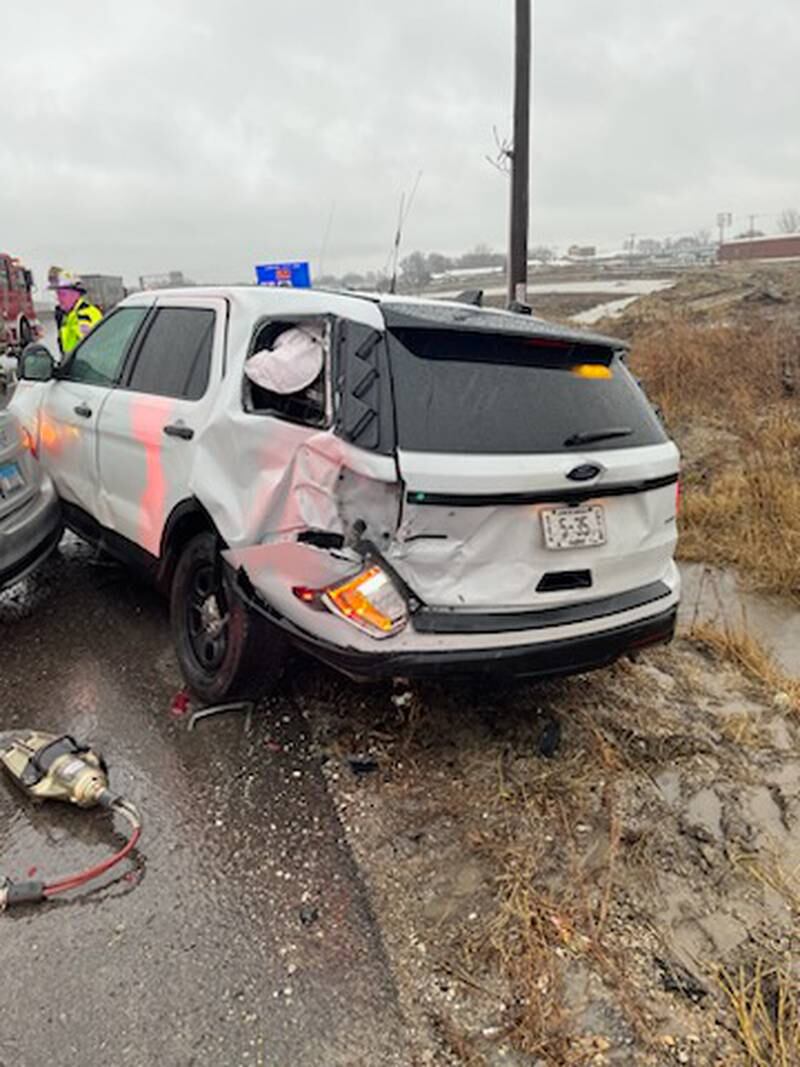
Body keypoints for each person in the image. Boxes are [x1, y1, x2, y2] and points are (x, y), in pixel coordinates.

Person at [48, 267, 103, 356]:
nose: (59, 299)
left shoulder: (85, 315)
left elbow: (92, 350)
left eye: (62, 294)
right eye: (57, 294)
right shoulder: (69, 315)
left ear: (75, 294)